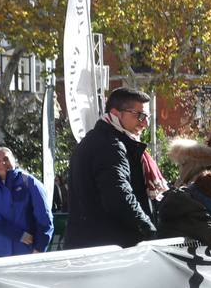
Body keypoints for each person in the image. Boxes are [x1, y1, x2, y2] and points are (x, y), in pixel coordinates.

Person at [65, 87, 157, 249]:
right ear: (115, 113)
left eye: (147, 117)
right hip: (108, 249)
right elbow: (119, 196)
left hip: (92, 244)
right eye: (139, 115)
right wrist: (149, 230)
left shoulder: (97, 140)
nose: (145, 123)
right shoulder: (111, 145)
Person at [0, 147, 54, 257]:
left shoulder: (30, 182)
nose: (2, 163)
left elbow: (44, 218)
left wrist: (39, 248)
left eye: (6, 159)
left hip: (26, 253)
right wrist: (19, 235)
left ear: (14, 160)